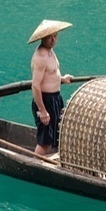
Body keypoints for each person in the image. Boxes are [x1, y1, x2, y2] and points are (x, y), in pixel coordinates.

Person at [28, 19, 74, 156]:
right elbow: (35, 86)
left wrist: (62, 79)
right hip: (45, 101)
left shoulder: (50, 52)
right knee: (45, 140)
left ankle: (47, 161)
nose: (53, 40)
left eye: (55, 36)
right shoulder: (41, 56)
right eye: (50, 37)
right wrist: (42, 110)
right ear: (43, 38)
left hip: (55, 99)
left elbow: (50, 75)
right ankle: (36, 164)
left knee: (56, 136)